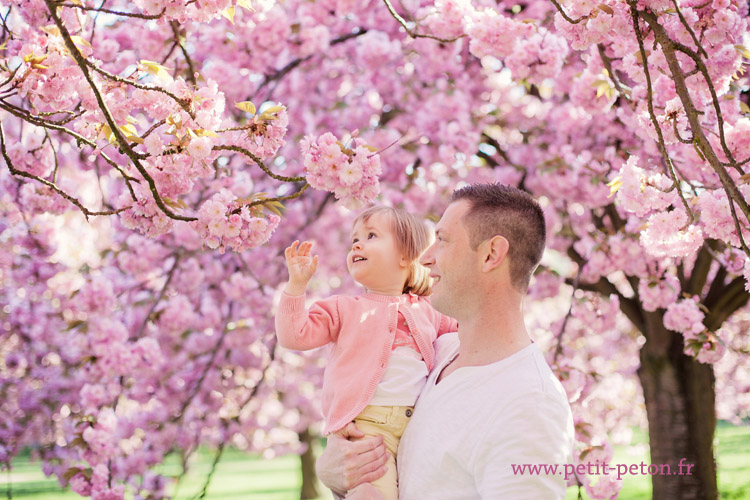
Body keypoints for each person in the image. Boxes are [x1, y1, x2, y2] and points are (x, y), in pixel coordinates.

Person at [316, 183, 575, 499]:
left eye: (442, 241)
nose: (423, 259)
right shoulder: (432, 353)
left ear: (491, 254)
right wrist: (334, 475)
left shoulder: (529, 403)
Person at [275, 206, 458, 500]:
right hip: (368, 432)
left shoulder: (429, 311)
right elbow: (293, 336)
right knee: (370, 493)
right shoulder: (343, 308)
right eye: (354, 240)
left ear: (405, 256)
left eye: (371, 235)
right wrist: (296, 287)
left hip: (416, 430)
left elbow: (464, 329)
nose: (357, 244)